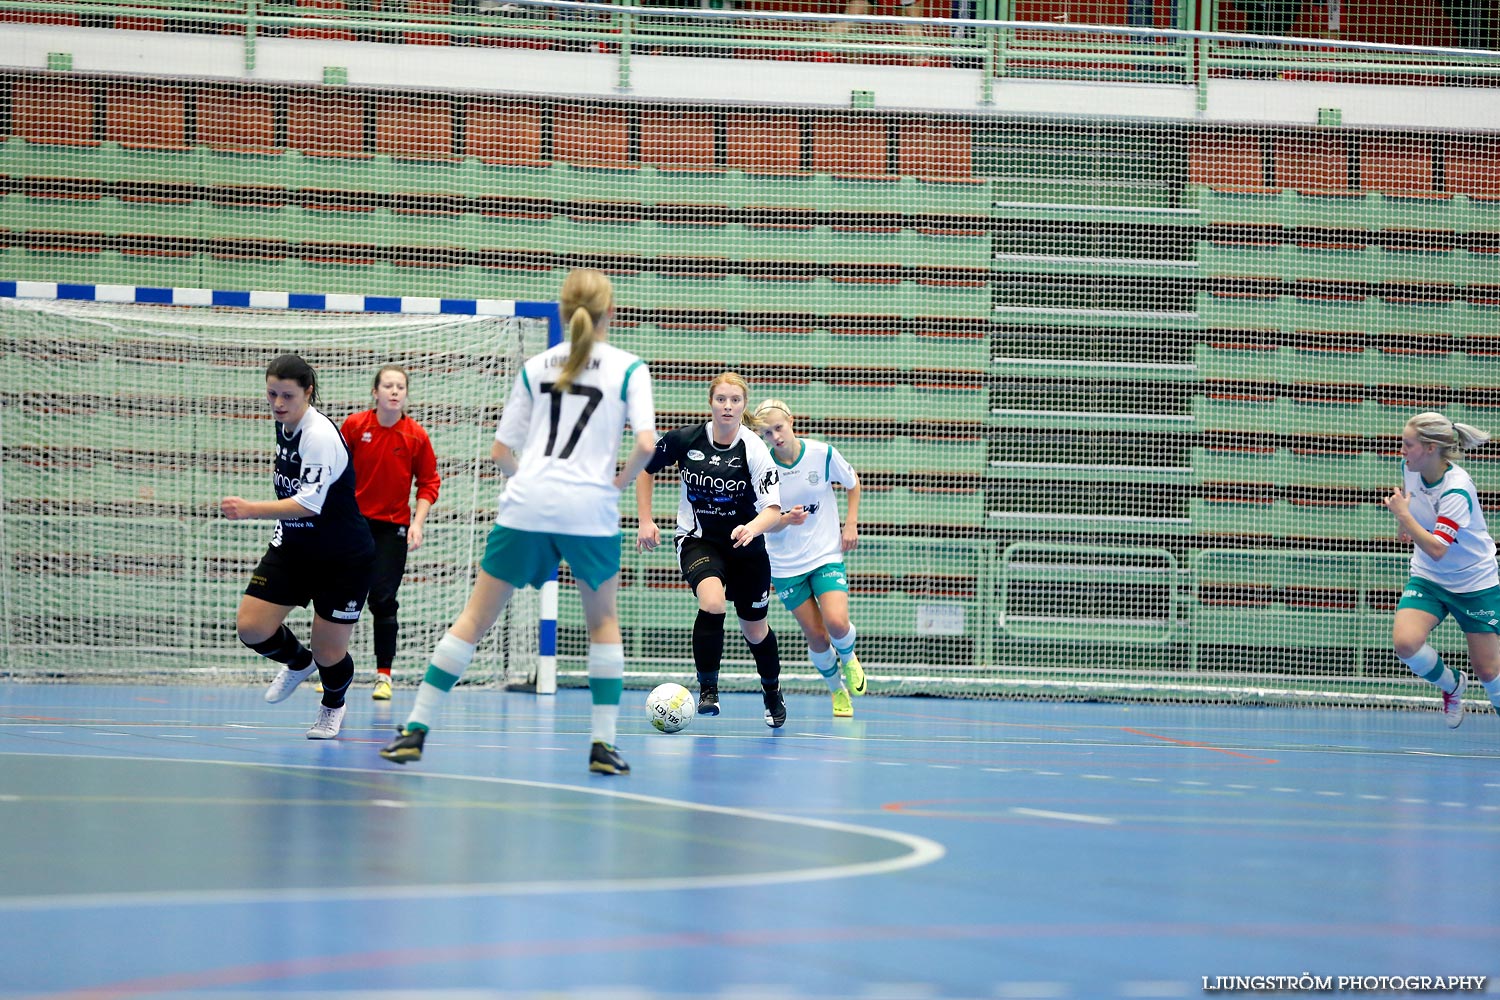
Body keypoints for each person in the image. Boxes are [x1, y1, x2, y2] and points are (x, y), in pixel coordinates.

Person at [380, 268, 656, 774]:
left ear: (560, 311)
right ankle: (603, 744)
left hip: (528, 501)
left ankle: (415, 730)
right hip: (589, 509)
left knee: (474, 619)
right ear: (610, 314)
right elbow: (645, 445)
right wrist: (614, 485)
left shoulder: (535, 367)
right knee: (603, 623)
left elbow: (501, 451)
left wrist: (532, 478)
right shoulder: (629, 368)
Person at [220, 354, 374, 740]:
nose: (277, 404)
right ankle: (298, 662)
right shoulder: (284, 425)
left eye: (287, 395)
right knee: (252, 628)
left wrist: (250, 509)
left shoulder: (318, 436)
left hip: (343, 558)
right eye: (271, 394)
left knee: (330, 653)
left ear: (308, 393)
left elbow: (309, 502)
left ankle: (332, 707)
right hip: (294, 546)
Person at [636, 372, 787, 728]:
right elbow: (646, 468)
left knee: (755, 631)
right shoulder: (684, 439)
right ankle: (708, 690)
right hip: (698, 539)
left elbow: (772, 509)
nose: (728, 406)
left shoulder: (754, 450)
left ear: (743, 405)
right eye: (721, 399)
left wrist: (751, 527)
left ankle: (771, 690)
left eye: (735, 400)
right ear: (711, 402)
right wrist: (646, 519)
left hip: (745, 546)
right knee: (713, 601)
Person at [1381, 411, 1500, 728]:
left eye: (1408, 444)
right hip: (1430, 578)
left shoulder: (1456, 491)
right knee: (1405, 644)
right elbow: (1412, 506)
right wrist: (1403, 524)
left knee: (1489, 672)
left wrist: (1405, 517)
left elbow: (1437, 548)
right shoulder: (1411, 468)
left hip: (1474, 582)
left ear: (1430, 448)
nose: (1402, 451)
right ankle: (1452, 685)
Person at [754, 399, 868, 718]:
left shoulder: (822, 454)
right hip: (785, 565)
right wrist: (783, 520)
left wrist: (851, 523)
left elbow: (852, 483)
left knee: (836, 622)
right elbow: (761, 518)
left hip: (824, 554)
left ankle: (848, 658)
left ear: (791, 421)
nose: (775, 436)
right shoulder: (763, 468)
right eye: (767, 433)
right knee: (817, 637)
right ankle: (837, 692)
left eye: (778, 428)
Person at [340, 364, 441, 702]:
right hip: (353, 525)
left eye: (400, 386)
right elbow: (335, 470)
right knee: (340, 598)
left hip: (393, 528)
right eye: (388, 385)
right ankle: (331, 669)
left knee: (383, 599)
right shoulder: (355, 426)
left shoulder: (415, 435)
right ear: (375, 392)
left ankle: (384, 676)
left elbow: (429, 483)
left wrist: (418, 522)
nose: (395, 391)